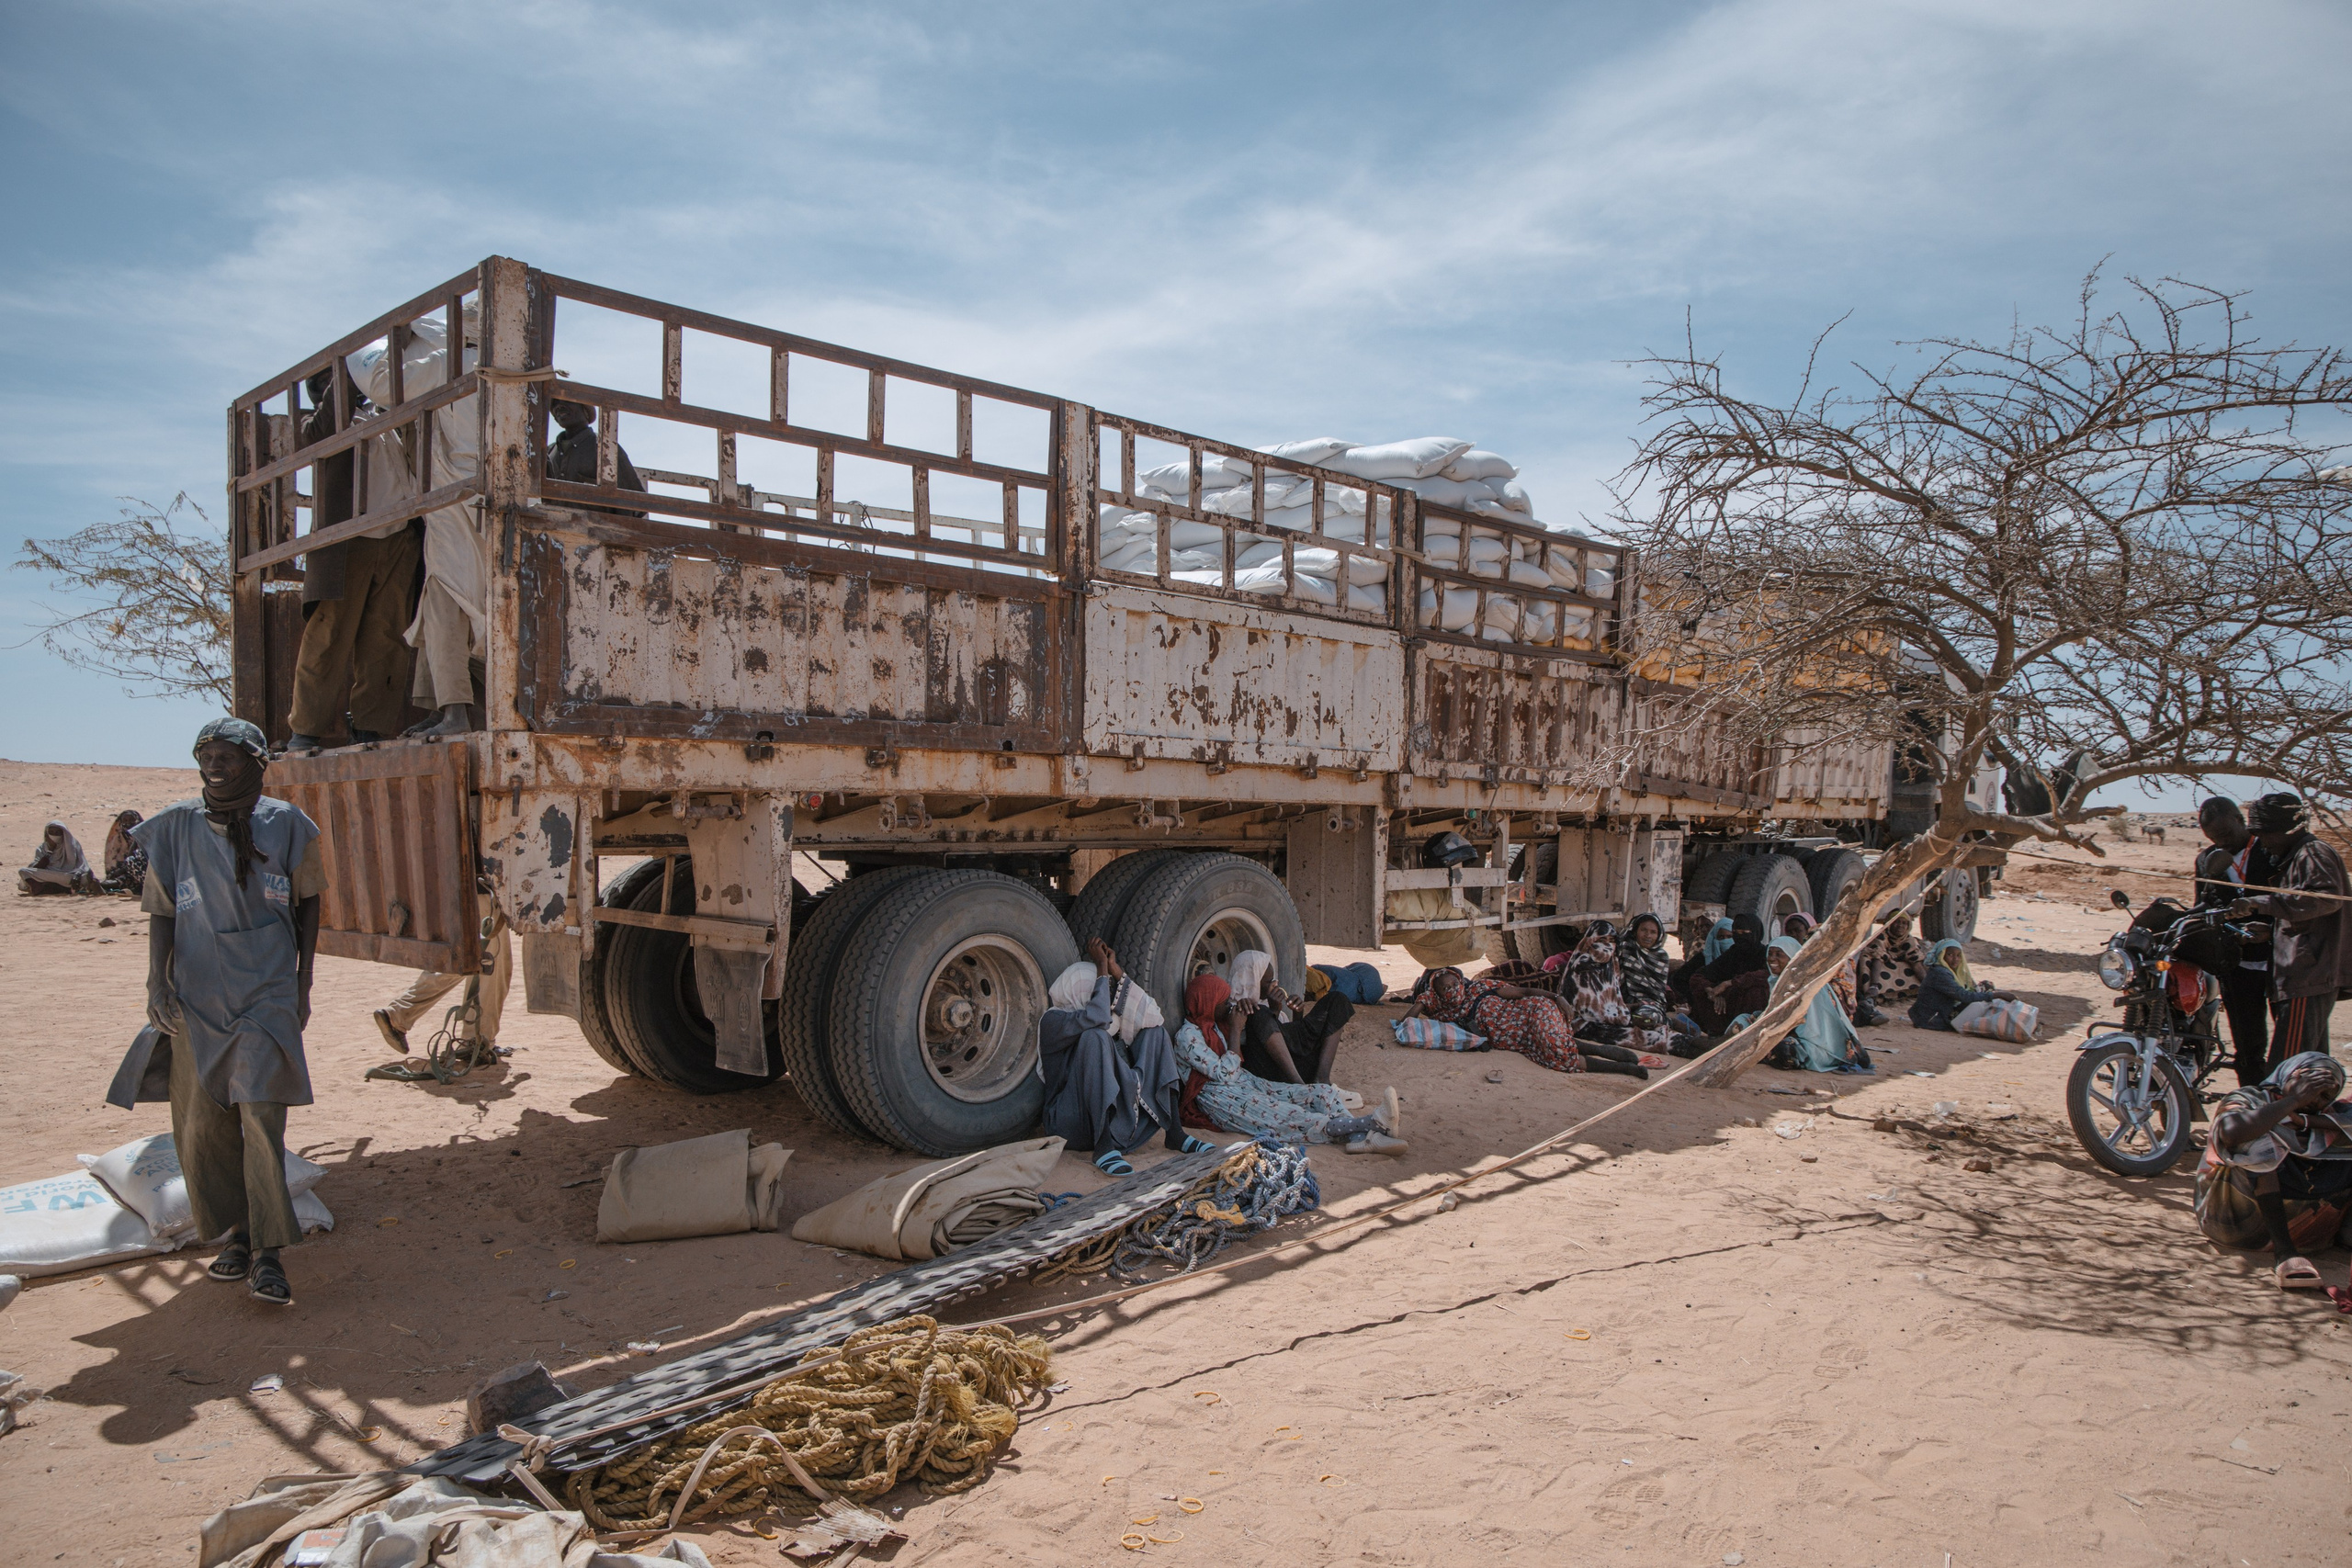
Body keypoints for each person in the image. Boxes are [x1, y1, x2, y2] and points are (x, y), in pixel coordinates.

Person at [129, 718, 324, 1307]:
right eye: (206, 754)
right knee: (206, 1123)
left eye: (228, 755)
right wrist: (156, 983)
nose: (215, 764)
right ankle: (236, 1236)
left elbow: (309, 902)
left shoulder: (289, 824)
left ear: (257, 762)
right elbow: (162, 911)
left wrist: (303, 981)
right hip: (197, 993)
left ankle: (270, 1254)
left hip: (266, 990)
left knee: (262, 1116)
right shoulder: (174, 828)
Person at [284, 368, 424, 751]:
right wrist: (348, 372)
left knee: (386, 638)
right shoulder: (318, 424)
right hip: (348, 539)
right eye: (324, 385)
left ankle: (371, 728)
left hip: (397, 537)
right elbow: (326, 422)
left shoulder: (385, 418)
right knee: (328, 636)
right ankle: (306, 729)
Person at [1038, 940, 1214, 1176]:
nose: (1106, 1000)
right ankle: (1102, 1147)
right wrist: (1100, 966)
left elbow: (1153, 1016)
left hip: (1115, 1119)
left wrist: (1115, 969)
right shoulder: (1053, 1022)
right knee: (1095, 1038)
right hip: (1071, 1125)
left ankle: (1175, 1134)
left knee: (1156, 1033)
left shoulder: (1099, 1019)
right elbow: (1098, 1016)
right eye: (1097, 992)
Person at [1174, 973, 1402, 1152]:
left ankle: (1361, 1137)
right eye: (1223, 1001)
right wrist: (1235, 1030)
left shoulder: (1214, 1027)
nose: (1229, 1005)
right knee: (1291, 1119)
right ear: (1207, 1002)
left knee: (1322, 1093)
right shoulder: (1187, 1037)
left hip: (1244, 1084)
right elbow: (1226, 1076)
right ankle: (1371, 1123)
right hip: (1219, 1098)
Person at [2196, 1053, 2352, 1289]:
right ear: (2294, 1075)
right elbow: (2231, 1132)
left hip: (2311, 1232)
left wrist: (2305, 1122)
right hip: (2234, 1221)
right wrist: (2294, 1101)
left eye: (2325, 1097)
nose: (2316, 1100)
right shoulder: (2250, 1098)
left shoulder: (2327, 1114)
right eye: (2311, 1088)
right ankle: (2285, 1252)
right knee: (2260, 1144)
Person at [2243, 794, 2351, 1066]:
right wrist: (2272, 930)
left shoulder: (2313, 853)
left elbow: (2326, 899)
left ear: (2285, 829)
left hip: (2306, 976)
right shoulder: (2299, 855)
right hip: (2305, 977)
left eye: (2264, 834)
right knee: (2310, 1069)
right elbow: (2306, 914)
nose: (2262, 843)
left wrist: (2262, 903)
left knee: (2286, 1071)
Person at [1413, 966, 1648, 1077]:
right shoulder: (1446, 1014)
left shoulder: (1481, 988)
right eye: (1446, 989)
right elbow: (1409, 1020)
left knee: (1556, 1049)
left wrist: (1557, 998)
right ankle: (1616, 1062)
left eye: (1455, 984)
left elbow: (1523, 992)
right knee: (1552, 1047)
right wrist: (1424, 1000)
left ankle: (1617, 1063)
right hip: (1523, 1037)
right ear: (1437, 995)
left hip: (1534, 1011)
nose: (1454, 990)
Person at [2193, 795, 2278, 1086]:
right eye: (2214, 838)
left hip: (2280, 961)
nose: (2223, 843)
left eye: (2227, 835)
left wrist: (2270, 928)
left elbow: (2294, 901)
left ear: (2241, 821)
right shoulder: (2207, 859)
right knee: (2247, 1043)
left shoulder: (2272, 851)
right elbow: (2202, 904)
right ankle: (2252, 1105)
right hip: (2236, 965)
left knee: (2290, 1041)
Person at [373, 912, 514, 1061]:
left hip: (457, 897)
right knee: (487, 964)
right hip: (484, 897)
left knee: (463, 959)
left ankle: (400, 1013)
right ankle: (476, 1041)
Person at [1227, 950, 1352, 1087]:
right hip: (1268, 1073)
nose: (1275, 985)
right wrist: (1271, 1011)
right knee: (1259, 1012)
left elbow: (1293, 1046)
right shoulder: (1234, 1009)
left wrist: (1296, 1013)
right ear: (1253, 981)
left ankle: (1322, 1080)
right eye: (1269, 982)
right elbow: (1248, 1045)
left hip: (1294, 1067)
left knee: (1337, 1000)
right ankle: (1299, 1085)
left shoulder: (1267, 1006)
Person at [1746, 937, 1871, 1073]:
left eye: (1779, 954)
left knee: (1785, 1050)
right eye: (1770, 954)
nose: (1771, 959)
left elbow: (1810, 1029)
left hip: (1819, 1047)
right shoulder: (1776, 981)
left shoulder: (1805, 985)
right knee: (1743, 1020)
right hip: (1791, 1034)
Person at [546, 399, 650, 514]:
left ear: (585, 410)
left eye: (567, 401)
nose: (559, 406)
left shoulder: (605, 448)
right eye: (554, 404)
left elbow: (636, 503)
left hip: (595, 530)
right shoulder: (548, 452)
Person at [1679, 912, 1772, 1034]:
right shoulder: (1733, 954)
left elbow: (1766, 975)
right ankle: (1716, 1032)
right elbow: (1699, 976)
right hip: (1726, 1009)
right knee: (1701, 990)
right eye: (1737, 933)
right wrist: (1712, 992)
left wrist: (1729, 983)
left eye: (1745, 933)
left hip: (1754, 1009)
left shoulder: (1766, 954)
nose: (1740, 937)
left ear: (1756, 932)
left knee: (1755, 991)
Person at [1909, 939, 2018, 1032]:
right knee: (1981, 1005)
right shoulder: (1939, 973)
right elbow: (1963, 996)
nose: (1955, 959)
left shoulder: (1947, 971)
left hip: (1934, 1014)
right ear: (1942, 955)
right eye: (1950, 955)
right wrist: (1996, 995)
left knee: (1986, 987)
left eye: (1958, 955)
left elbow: (1967, 990)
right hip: (1931, 1019)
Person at [1854, 911, 1926, 1014]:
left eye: (1904, 923)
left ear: (1908, 926)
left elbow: (1916, 962)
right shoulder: (1881, 936)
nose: (1900, 926)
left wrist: (1927, 986)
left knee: (1921, 965)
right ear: (1889, 924)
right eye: (1896, 922)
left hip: (1897, 969)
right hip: (1880, 969)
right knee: (1865, 959)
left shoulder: (1910, 940)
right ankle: (1872, 994)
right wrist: (1874, 985)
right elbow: (1877, 957)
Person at [18, 819, 96, 895]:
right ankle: (48, 889)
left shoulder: (72, 845)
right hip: (48, 875)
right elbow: (37, 868)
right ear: (47, 834)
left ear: (63, 833)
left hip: (68, 876)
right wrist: (50, 851)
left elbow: (82, 865)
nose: (54, 835)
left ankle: (52, 889)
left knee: (85, 878)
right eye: (51, 832)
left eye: (57, 833)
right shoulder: (42, 848)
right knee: (23, 871)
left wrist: (78, 874)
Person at [99, 810, 147, 896]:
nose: (128, 823)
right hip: (124, 872)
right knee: (112, 881)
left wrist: (122, 870)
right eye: (125, 821)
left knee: (123, 879)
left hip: (142, 873)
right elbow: (113, 860)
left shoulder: (144, 838)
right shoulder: (118, 838)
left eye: (131, 820)